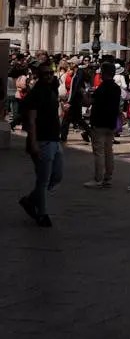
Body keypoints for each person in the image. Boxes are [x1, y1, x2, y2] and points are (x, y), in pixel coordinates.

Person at [19, 61, 63, 228]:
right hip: (42, 141)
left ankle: (31, 200)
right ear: (39, 75)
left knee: (57, 175)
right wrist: (33, 143)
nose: (49, 76)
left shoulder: (51, 90)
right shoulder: (35, 94)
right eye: (45, 74)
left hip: (54, 139)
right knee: (43, 180)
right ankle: (42, 214)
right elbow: (31, 121)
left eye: (51, 73)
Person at [84, 59, 121, 189]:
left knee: (99, 152)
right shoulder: (116, 88)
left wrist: (86, 95)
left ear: (104, 73)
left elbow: (90, 103)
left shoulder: (102, 88)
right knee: (109, 151)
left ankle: (98, 178)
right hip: (111, 123)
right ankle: (108, 177)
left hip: (99, 123)